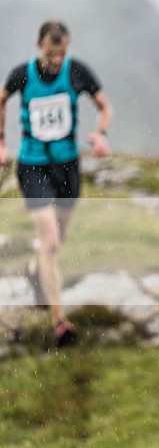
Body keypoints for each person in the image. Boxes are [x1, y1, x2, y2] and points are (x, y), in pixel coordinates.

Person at [0, 20, 113, 347]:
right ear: (39, 46)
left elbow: (105, 107)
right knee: (50, 241)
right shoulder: (22, 73)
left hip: (67, 168)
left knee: (57, 241)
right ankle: (59, 321)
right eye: (51, 54)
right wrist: (2, 142)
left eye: (61, 54)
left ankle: (35, 272)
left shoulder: (77, 72)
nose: (56, 60)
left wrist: (100, 133)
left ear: (68, 47)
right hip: (33, 165)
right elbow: (2, 98)